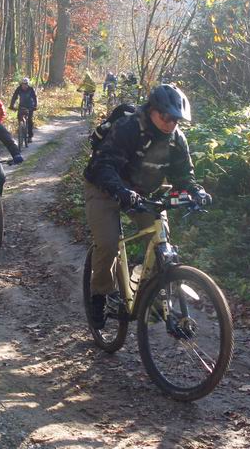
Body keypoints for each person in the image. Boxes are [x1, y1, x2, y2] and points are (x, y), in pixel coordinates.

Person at [83, 84, 212, 329]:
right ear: (152, 110)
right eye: (166, 117)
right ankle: (99, 296)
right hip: (103, 186)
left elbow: (184, 174)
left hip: (142, 192)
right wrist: (121, 191)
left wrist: (196, 192)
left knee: (162, 242)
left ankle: (152, 298)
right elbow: (104, 164)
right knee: (109, 243)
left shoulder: (176, 139)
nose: (171, 123)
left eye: (176, 120)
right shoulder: (128, 128)